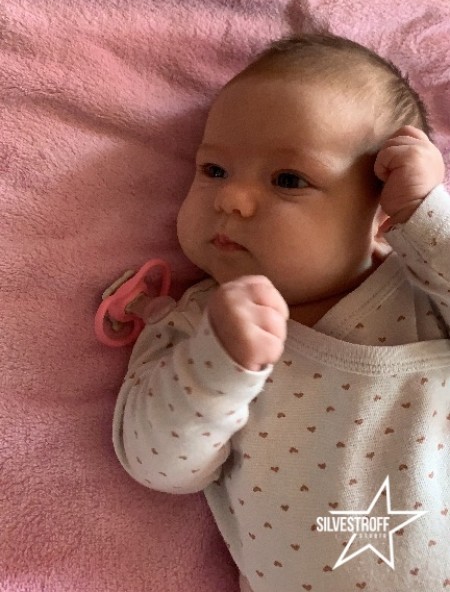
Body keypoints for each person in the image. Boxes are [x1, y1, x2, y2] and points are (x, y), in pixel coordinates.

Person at [111, 34, 450, 592]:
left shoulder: (422, 287)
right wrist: (217, 369)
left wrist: (428, 216)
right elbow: (158, 465)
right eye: (214, 170)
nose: (231, 199)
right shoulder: (199, 329)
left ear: (381, 217)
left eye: (288, 180)